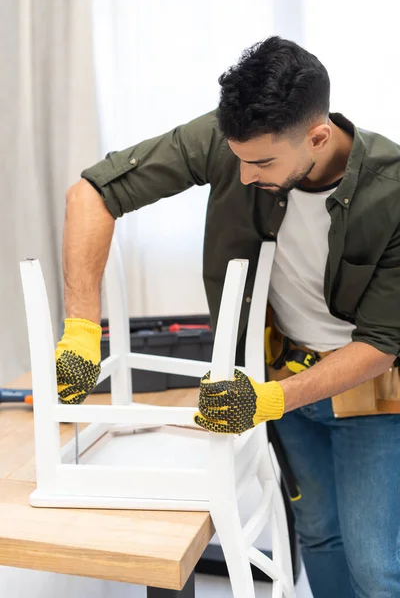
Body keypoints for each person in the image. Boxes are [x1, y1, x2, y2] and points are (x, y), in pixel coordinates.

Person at [56, 36, 400, 597]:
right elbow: (90, 193)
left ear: (318, 136)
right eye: (238, 158)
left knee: (376, 566)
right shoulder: (235, 143)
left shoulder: (393, 191)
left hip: (371, 392)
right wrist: (80, 328)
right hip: (283, 371)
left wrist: (267, 401)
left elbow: (383, 343)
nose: (242, 177)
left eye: (261, 162)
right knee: (319, 535)